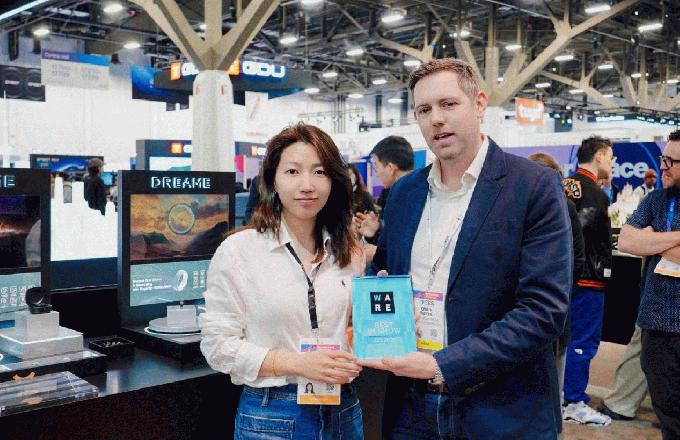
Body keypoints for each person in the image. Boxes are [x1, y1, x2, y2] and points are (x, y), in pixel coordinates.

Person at [364, 58, 572, 439]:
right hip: (410, 407)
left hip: (500, 411)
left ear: (479, 104)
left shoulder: (533, 187)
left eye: (448, 104)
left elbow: (543, 312)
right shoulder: (405, 193)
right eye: (424, 110)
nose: (436, 119)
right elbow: (382, 270)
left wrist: (443, 364)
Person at [200, 123, 365, 440]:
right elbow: (217, 346)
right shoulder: (239, 251)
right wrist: (298, 364)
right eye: (292, 172)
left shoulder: (348, 252)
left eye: (319, 172)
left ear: (333, 181)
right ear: (272, 180)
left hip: (343, 409)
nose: (307, 185)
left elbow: (352, 329)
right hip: (273, 415)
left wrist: (386, 316)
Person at [618, 129, 680, 439]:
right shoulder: (656, 200)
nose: (663, 166)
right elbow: (627, 240)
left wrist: (653, 240)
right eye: (663, 158)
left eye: (671, 161)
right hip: (655, 323)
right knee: (668, 416)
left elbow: (642, 241)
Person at [561, 136, 614, 425]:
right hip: (588, 278)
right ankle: (574, 401)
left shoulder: (564, 185)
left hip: (564, 276)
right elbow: (578, 233)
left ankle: (564, 395)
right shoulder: (595, 193)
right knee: (583, 341)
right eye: (611, 157)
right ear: (600, 156)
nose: (612, 163)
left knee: (564, 340)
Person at [528, 152, 586, 407]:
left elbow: (577, 259)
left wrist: (557, 293)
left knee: (551, 383)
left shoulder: (565, 207)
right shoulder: (513, 208)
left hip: (552, 313)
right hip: (524, 313)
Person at [354, 136, 414, 244]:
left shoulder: (416, 199)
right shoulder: (396, 195)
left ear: (391, 168)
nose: (377, 173)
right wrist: (376, 231)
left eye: (377, 166)